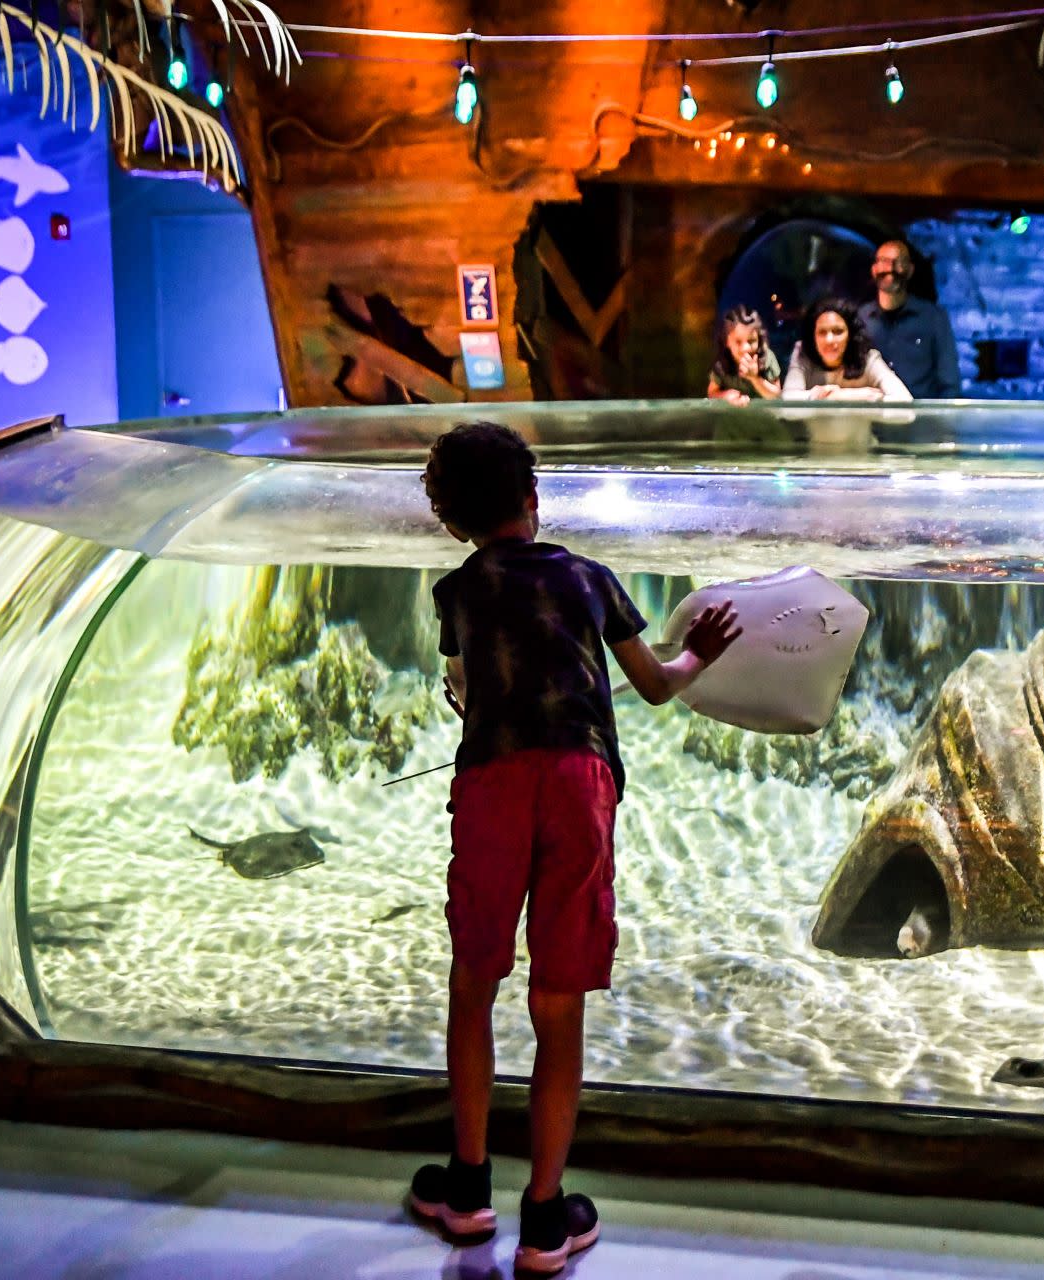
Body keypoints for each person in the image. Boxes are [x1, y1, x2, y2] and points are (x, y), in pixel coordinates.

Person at [405, 422, 741, 1276]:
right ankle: (546, 1219)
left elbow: (466, 692)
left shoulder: (455, 593)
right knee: (559, 1004)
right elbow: (657, 688)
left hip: (491, 784)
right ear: (534, 498)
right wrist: (697, 652)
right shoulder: (589, 578)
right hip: (579, 784)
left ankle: (469, 1187)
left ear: (451, 521)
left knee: (474, 981)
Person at [860, 240, 961, 399]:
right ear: (874, 269)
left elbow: (949, 382)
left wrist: (943, 421)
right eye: (884, 261)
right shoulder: (860, 319)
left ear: (910, 269)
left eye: (898, 262)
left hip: (920, 420)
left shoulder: (933, 317)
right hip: (872, 418)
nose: (890, 268)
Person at [781, 297, 912, 401]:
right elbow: (788, 404)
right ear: (812, 336)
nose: (829, 340)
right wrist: (848, 396)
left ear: (851, 335)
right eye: (822, 332)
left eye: (838, 331)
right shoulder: (803, 354)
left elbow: (906, 407)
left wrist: (826, 396)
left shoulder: (868, 358)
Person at [706, 305, 782, 403]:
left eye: (751, 341)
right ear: (727, 341)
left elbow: (777, 396)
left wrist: (755, 378)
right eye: (738, 341)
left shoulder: (767, 357)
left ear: (759, 339)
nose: (745, 348)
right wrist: (726, 396)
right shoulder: (723, 361)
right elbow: (711, 393)